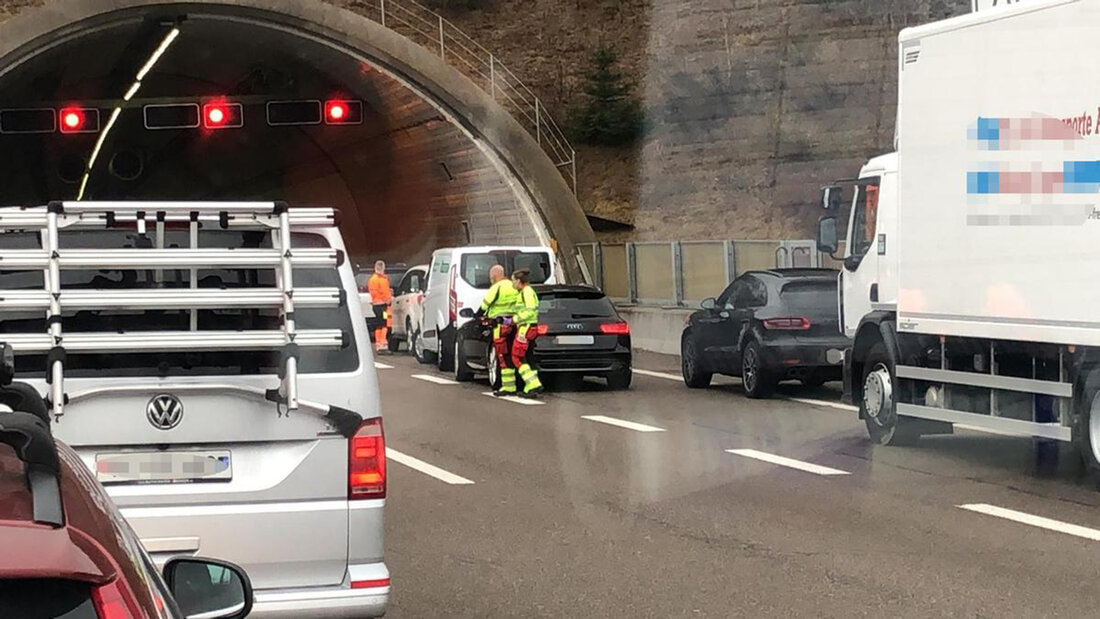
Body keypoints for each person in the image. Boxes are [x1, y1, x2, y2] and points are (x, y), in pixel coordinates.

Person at [474, 264, 520, 396]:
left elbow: (485, 305)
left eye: (491, 278)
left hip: (500, 326)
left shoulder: (497, 287)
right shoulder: (513, 286)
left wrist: (477, 316)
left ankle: (508, 386)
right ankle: (520, 385)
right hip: (515, 324)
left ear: (494, 276)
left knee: (502, 355)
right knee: (515, 354)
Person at [510, 268, 544, 398]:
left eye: (513, 281)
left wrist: (514, 320)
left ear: (519, 281)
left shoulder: (527, 292)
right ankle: (531, 386)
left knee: (517, 357)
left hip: (526, 328)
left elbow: (529, 311)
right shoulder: (524, 292)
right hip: (527, 327)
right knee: (528, 358)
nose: (512, 284)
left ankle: (533, 384)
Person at [368, 260, 393, 353]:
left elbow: (374, 292)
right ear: (382, 268)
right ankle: (383, 344)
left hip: (376, 305)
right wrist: (389, 300)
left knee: (379, 324)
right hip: (383, 306)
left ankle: (378, 343)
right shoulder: (382, 279)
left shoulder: (372, 279)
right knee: (385, 324)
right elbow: (385, 292)